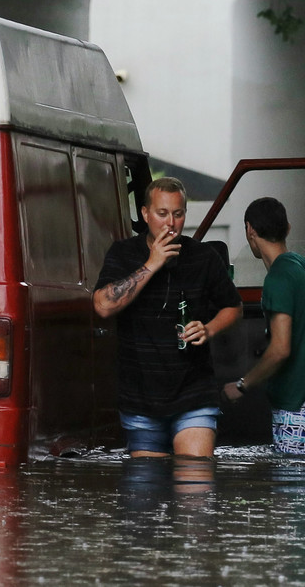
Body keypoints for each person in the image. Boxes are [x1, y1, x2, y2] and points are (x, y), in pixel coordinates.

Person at [94, 177, 242, 459]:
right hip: (141, 397)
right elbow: (102, 306)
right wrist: (153, 263)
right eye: (162, 214)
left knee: (195, 486)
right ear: (145, 213)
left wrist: (208, 329)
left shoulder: (204, 256)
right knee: (148, 493)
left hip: (194, 393)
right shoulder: (124, 253)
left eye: (178, 214)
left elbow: (234, 308)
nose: (170, 223)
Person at [222, 197, 305, 455]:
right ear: (287, 228)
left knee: (293, 490)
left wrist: (242, 385)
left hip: (296, 406)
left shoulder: (278, 278)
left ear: (249, 230)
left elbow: (280, 350)